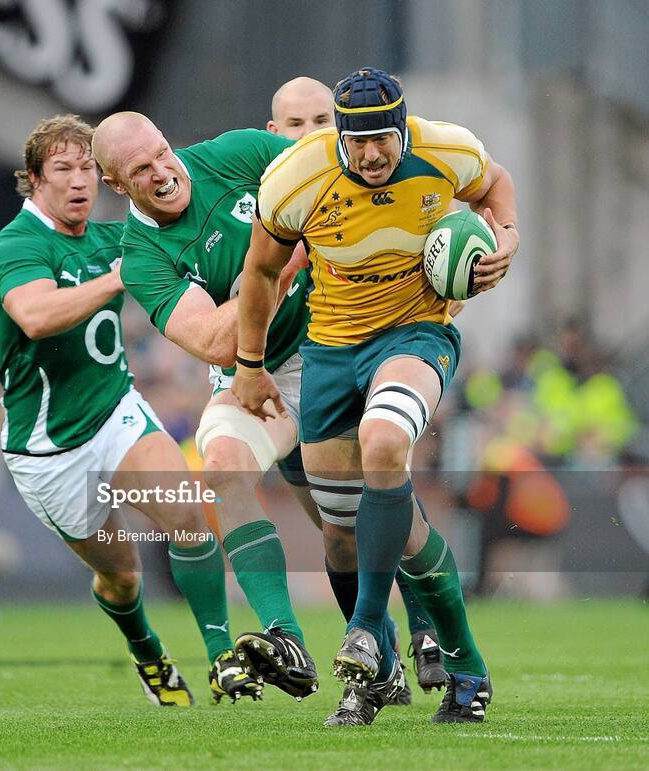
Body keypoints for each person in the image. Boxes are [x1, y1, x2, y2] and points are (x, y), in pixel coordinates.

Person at [93, 106, 416, 706]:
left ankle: (428, 639)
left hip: (335, 347)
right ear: (116, 185)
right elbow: (215, 339)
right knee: (222, 471)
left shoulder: (237, 152)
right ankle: (287, 639)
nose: (164, 171)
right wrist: (279, 267)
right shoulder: (141, 256)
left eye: (163, 151)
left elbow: (328, 179)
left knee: (346, 526)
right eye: (141, 169)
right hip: (253, 375)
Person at [233, 68, 519, 725]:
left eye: (382, 141)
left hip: (417, 334)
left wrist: (507, 238)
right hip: (330, 351)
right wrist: (250, 364)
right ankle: (447, 671)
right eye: (356, 142)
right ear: (340, 136)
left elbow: (495, 183)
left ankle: (363, 629)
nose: (370, 154)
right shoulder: (296, 179)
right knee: (344, 535)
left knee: (386, 441)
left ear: (403, 129)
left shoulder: (447, 149)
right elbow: (261, 271)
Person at [0, 115, 260, 706]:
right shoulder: (19, 244)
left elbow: (179, 280)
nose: (78, 181)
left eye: (87, 168)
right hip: (50, 446)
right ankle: (147, 651)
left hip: (116, 412)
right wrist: (115, 280)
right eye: (63, 170)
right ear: (34, 180)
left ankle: (222, 660)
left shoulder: (116, 238)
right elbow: (35, 316)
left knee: (188, 515)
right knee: (121, 575)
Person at [267, 76, 448, 696]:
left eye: (324, 120)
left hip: (342, 354)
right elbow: (248, 278)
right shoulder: (267, 191)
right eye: (297, 124)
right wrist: (241, 363)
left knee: (382, 471)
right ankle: (380, 652)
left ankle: (413, 634)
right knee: (338, 527)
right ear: (271, 135)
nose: (313, 135)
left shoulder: (373, 172)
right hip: (279, 378)